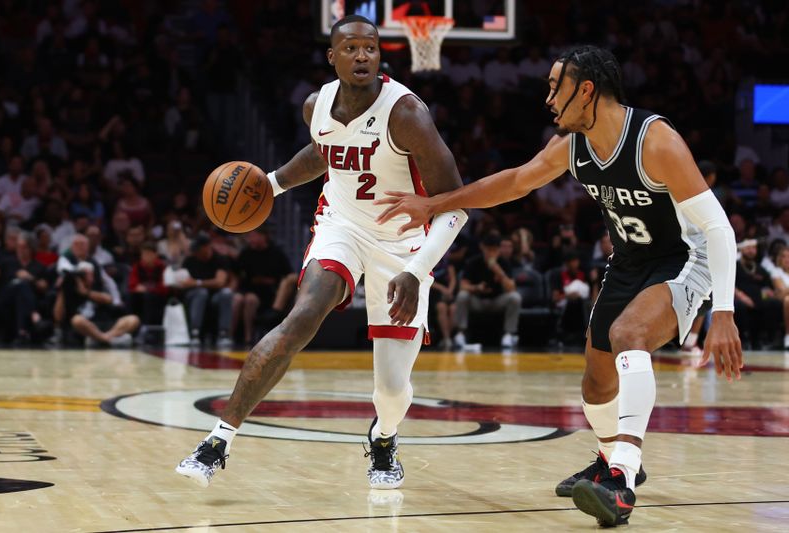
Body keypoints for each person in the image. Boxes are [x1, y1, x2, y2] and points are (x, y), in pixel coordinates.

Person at [374, 45, 741, 527]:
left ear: (586, 89)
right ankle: (612, 458)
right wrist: (435, 202)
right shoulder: (572, 145)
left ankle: (621, 483)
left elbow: (719, 228)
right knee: (595, 384)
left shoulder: (655, 140)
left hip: (682, 259)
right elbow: (516, 182)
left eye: (555, 86)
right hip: (629, 261)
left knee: (629, 336)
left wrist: (725, 313)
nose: (547, 98)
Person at [176, 15, 465, 490]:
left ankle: (385, 436)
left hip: (403, 244)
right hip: (343, 226)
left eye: (370, 48)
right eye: (350, 48)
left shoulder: (407, 114)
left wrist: (416, 270)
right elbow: (323, 152)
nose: (362, 56)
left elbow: (455, 205)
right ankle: (217, 440)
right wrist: (269, 184)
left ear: (379, 56)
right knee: (301, 317)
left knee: (391, 390)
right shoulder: (318, 105)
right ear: (333, 57)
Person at [453, 233, 522, 349]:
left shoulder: (504, 263)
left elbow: (511, 288)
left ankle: (509, 334)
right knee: (462, 296)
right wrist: (477, 288)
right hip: (478, 301)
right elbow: (462, 286)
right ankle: (461, 333)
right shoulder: (473, 262)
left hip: (497, 301)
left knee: (515, 297)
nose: (491, 253)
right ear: (482, 247)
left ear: (499, 249)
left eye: (494, 250)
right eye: (488, 249)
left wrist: (497, 270)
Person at [231, 228, 296, 344]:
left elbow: (289, 274)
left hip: (269, 293)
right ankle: (230, 335)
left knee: (250, 300)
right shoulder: (246, 253)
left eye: (252, 236)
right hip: (249, 289)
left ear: (263, 236)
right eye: (249, 236)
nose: (250, 239)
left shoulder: (276, 253)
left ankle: (248, 336)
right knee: (238, 299)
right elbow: (237, 275)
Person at [180, 232, 234, 347]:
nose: (196, 253)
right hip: (194, 296)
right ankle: (195, 333)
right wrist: (198, 285)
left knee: (226, 293)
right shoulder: (189, 260)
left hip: (215, 297)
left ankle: (223, 334)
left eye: (198, 249)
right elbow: (184, 282)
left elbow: (220, 282)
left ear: (207, 247)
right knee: (201, 293)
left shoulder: (220, 259)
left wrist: (197, 282)